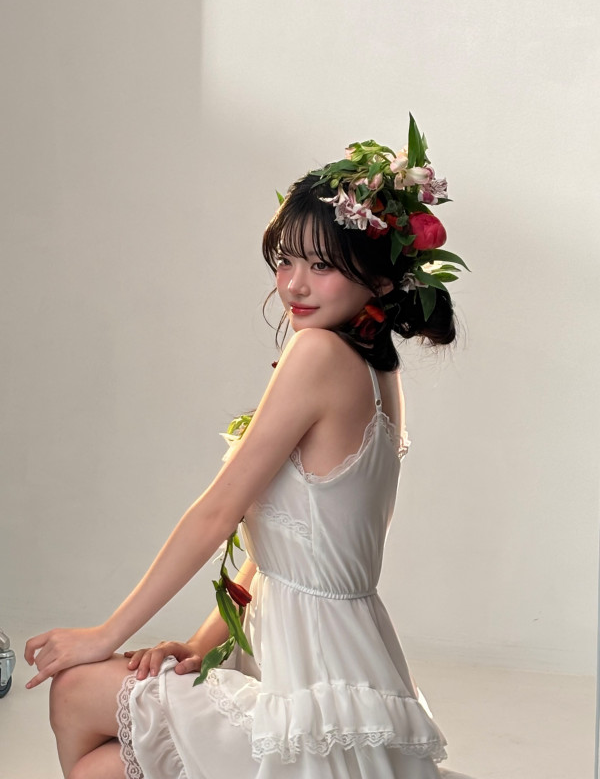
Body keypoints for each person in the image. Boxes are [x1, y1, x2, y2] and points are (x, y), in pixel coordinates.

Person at [25, 119, 475, 779]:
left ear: (380, 281)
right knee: (106, 766)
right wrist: (201, 646)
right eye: (285, 259)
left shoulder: (318, 354)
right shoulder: (379, 370)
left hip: (310, 698)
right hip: (348, 682)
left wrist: (104, 635)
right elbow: (289, 552)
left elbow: (219, 512)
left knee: (74, 692)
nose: (293, 284)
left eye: (322, 265)